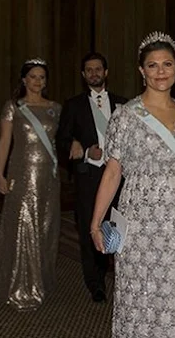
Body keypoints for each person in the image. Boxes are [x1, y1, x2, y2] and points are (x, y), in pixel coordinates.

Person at [90, 32, 175, 337]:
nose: (161, 71)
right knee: (138, 293)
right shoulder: (126, 116)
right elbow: (113, 171)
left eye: (167, 64)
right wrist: (95, 222)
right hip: (140, 221)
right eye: (152, 65)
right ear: (141, 71)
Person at [0, 58, 61, 310]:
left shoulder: (55, 108)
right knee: (24, 225)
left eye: (42, 77)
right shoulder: (14, 107)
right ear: (24, 80)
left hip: (49, 176)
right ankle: (21, 285)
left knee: (46, 225)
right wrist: (0, 174)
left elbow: (60, 141)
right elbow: (4, 142)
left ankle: (40, 278)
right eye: (33, 76)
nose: (37, 81)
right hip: (22, 173)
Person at [56, 52, 127, 302]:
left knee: (119, 229)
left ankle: (122, 279)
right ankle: (95, 283)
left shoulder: (123, 104)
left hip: (120, 180)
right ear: (83, 75)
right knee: (92, 228)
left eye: (98, 69)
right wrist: (84, 151)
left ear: (106, 72)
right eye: (89, 70)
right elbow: (61, 141)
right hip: (89, 178)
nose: (94, 73)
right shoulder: (73, 105)